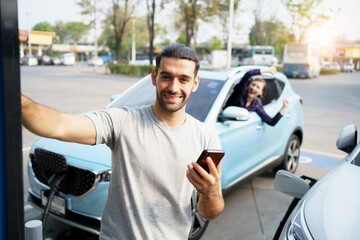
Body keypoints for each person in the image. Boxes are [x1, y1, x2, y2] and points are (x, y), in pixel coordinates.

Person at [21, 44, 224, 239]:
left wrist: (210, 191)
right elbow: (57, 125)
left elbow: (210, 212)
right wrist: (15, 97)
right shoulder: (123, 121)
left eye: (183, 79)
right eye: (166, 76)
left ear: (194, 83)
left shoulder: (206, 137)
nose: (173, 87)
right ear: (154, 77)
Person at [224, 66, 289, 126]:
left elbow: (271, 122)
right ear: (248, 85)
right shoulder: (240, 93)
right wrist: (268, 70)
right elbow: (248, 74)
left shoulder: (256, 105)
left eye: (258, 87)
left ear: (261, 92)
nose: (254, 88)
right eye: (253, 85)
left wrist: (284, 107)